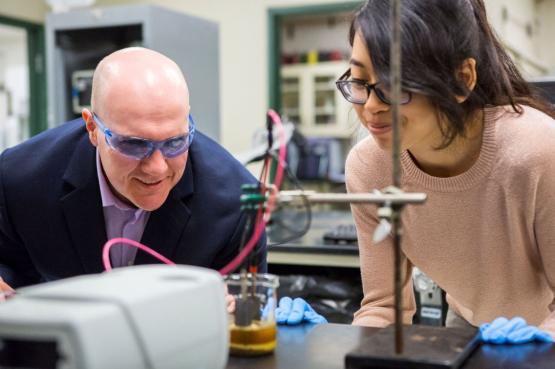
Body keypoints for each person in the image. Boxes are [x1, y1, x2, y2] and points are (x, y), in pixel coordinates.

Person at [339, 0, 555, 343]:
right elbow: (383, 307)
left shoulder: (538, 152)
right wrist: (332, 344)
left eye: (396, 84)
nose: (372, 106)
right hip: (468, 322)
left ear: (462, 80)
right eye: (361, 80)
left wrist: (536, 350)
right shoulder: (370, 168)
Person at [0, 47, 266, 295]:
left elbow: (247, 307)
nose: (157, 167)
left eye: (175, 142)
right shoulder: (20, 180)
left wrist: (235, 309)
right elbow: (8, 264)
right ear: (92, 128)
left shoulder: (234, 203)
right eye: (134, 144)